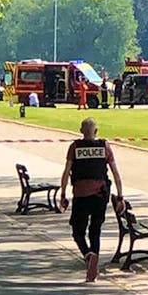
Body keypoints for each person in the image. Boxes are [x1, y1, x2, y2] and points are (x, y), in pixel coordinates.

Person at [59, 118, 124, 283]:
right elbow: (116, 173)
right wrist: (120, 197)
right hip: (100, 195)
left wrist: (63, 194)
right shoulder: (104, 147)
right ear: (96, 131)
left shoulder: (74, 147)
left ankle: (88, 257)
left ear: (81, 131)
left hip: (81, 195)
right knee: (95, 230)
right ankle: (93, 259)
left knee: (78, 231)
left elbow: (67, 172)